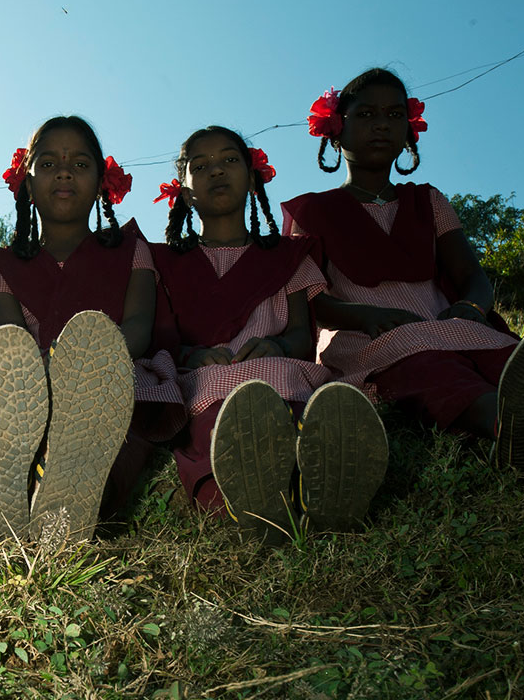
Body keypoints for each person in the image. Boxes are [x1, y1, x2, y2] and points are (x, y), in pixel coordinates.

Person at [283, 68, 524, 470]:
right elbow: (311, 300)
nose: (382, 124)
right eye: (366, 115)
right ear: (335, 128)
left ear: (409, 130)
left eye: (396, 115)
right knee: (430, 369)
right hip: (366, 340)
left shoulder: (429, 201)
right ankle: (512, 427)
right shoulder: (310, 211)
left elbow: (472, 276)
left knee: (503, 357)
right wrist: (365, 314)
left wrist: (471, 308)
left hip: (445, 323)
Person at [152, 126, 386, 543]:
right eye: (200, 166)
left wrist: (277, 344)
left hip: (281, 376)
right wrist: (191, 354)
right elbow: (159, 340)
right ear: (185, 192)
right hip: (203, 384)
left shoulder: (287, 257)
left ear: (252, 176)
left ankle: (319, 492)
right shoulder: (161, 263)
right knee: (215, 434)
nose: (216, 171)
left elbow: (302, 337)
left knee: (297, 413)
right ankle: (252, 507)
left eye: (229, 160)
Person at [0, 116, 149, 545]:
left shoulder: (134, 250)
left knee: (117, 435)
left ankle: (71, 500)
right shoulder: (0, 266)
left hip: (113, 380)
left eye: (79, 164)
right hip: (29, 389)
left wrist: (91, 363)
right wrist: (47, 378)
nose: (63, 172)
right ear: (27, 180)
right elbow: (11, 343)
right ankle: (5, 493)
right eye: (48, 163)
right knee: (4, 408)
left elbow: (139, 326)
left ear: (102, 181)